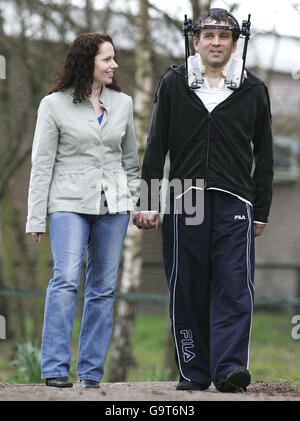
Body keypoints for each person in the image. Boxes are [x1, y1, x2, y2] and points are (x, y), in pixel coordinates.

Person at [134, 8, 273, 393]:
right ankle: (193, 370)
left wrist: (261, 209)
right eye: (208, 35)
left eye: (223, 36)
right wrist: (147, 199)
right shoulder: (174, 83)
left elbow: (265, 154)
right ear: (196, 41)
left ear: (234, 42)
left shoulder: (253, 89)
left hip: (235, 201)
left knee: (234, 285)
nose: (216, 42)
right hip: (183, 198)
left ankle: (230, 368)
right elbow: (156, 144)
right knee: (187, 284)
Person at [26, 33, 140, 388]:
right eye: (107, 59)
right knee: (65, 281)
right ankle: (56, 369)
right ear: (86, 62)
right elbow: (41, 165)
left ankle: (91, 373)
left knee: (103, 289)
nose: (114, 65)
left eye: (115, 58)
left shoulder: (123, 103)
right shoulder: (53, 105)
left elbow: (131, 162)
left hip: (114, 207)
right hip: (67, 205)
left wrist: (135, 201)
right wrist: (35, 216)